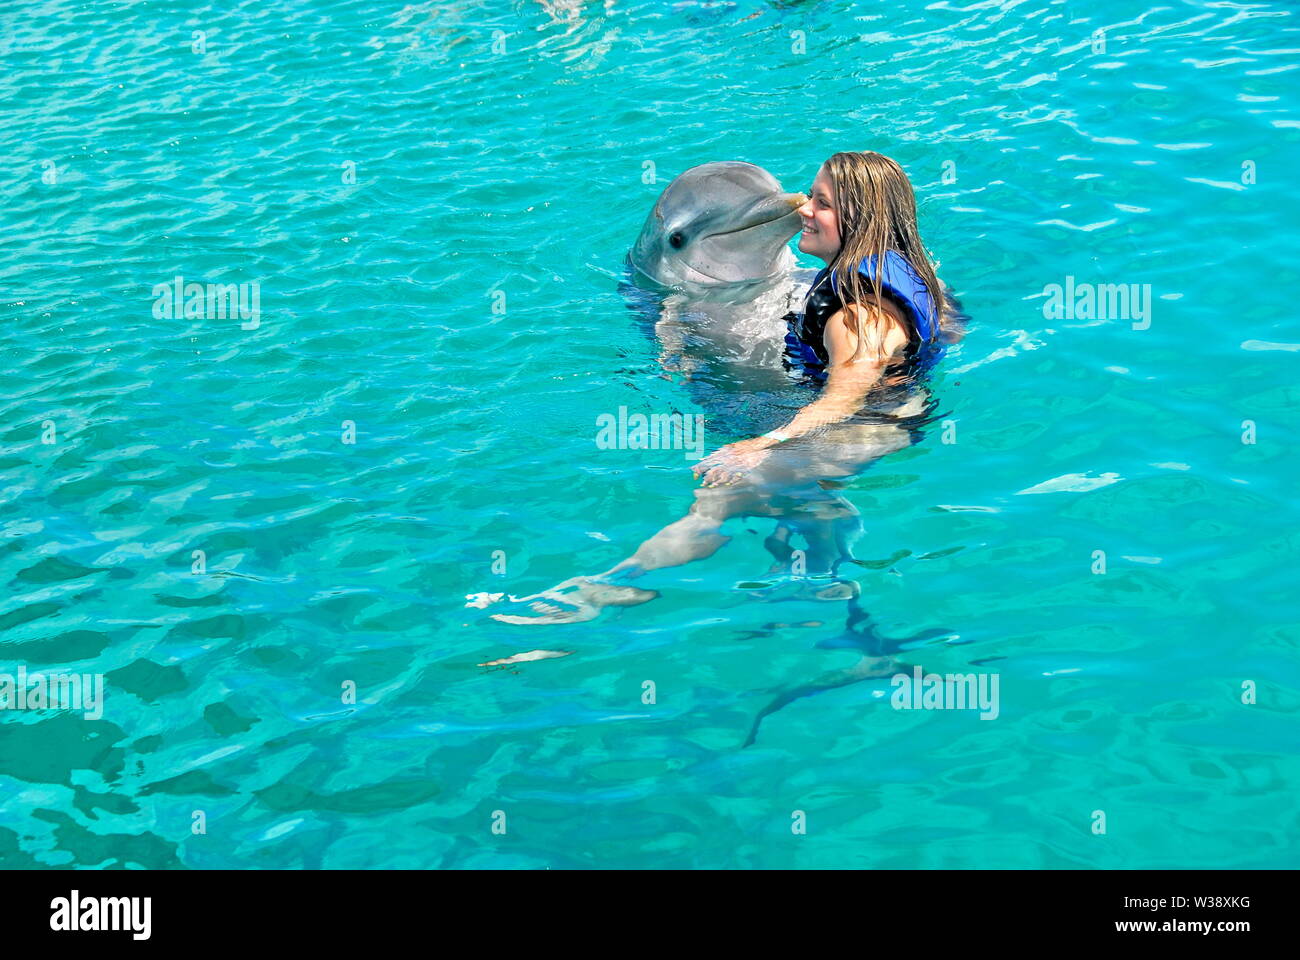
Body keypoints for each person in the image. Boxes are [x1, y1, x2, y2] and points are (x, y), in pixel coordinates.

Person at [473, 151, 962, 625]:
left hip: (863, 423)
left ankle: (608, 590)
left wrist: (764, 444)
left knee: (722, 497)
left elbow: (844, 398)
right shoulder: (863, 276)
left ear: (858, 218)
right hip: (869, 414)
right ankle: (825, 588)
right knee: (801, 503)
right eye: (808, 194)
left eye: (821, 202)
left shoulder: (856, 311)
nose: (798, 207)